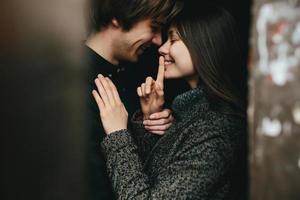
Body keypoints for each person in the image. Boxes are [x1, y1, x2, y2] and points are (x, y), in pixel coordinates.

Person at [92, 3, 247, 199]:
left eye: (173, 39)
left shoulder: (218, 131)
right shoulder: (193, 115)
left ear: (203, 44)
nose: (162, 48)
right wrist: (149, 119)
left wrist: (117, 134)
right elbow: (153, 177)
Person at [84, 0, 183, 199]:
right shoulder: (71, 86)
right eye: (153, 27)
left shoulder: (135, 76)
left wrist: (152, 124)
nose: (157, 41)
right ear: (117, 18)